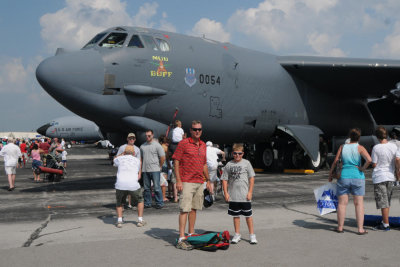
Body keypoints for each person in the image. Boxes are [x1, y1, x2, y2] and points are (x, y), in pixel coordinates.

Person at [173, 120, 211, 250]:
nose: (197, 131)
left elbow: (204, 164)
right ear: (190, 130)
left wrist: (209, 180)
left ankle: (191, 233)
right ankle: (181, 238)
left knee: (194, 208)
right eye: (195, 129)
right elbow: (176, 162)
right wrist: (178, 180)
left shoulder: (203, 145)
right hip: (186, 181)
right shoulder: (183, 143)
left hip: (199, 181)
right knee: (184, 209)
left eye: (199, 129)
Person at [329, 128, 371, 234]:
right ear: (359, 137)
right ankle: (360, 229)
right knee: (358, 204)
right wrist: (362, 168)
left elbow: (335, 161)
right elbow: (369, 160)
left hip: (344, 176)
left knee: (342, 204)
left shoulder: (342, 147)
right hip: (358, 177)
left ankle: (340, 227)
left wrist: (330, 174)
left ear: (349, 136)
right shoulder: (360, 148)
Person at [221, 143, 257, 244]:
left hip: (245, 195)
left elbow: (252, 178)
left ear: (243, 154)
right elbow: (224, 179)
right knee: (236, 216)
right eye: (235, 153)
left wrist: (250, 192)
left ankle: (252, 235)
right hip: (233, 195)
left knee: (248, 216)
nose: (237, 155)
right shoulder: (229, 164)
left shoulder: (246, 163)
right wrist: (226, 193)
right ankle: (237, 234)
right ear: (232, 153)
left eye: (240, 154)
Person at [370, 126, 398, 231]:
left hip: (379, 176)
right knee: (387, 201)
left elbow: (374, 163)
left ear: (377, 136)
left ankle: (385, 224)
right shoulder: (393, 146)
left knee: (383, 202)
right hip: (391, 176)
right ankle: (385, 220)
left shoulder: (376, 148)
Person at [113, 145, 146, 228]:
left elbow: (114, 159)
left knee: (119, 202)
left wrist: (121, 154)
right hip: (133, 184)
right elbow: (138, 168)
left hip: (121, 184)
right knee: (140, 200)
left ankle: (119, 221)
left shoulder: (119, 159)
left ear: (124, 152)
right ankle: (140, 220)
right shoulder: (137, 160)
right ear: (134, 153)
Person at [140, 130, 165, 209]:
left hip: (155, 169)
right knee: (146, 188)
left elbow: (162, 157)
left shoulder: (157, 145)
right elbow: (141, 158)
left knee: (157, 187)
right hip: (145, 170)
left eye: (149, 136)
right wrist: (140, 169)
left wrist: (160, 166)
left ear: (153, 135)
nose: (147, 137)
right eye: (146, 136)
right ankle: (148, 203)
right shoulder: (142, 146)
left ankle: (159, 203)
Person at [116, 133, 141, 209]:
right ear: (127, 139)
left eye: (133, 138)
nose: (131, 140)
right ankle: (122, 204)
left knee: (132, 188)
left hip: (133, 171)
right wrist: (123, 154)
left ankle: (131, 204)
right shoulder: (122, 147)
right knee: (123, 188)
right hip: (124, 171)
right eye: (130, 138)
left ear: (135, 139)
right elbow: (117, 158)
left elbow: (139, 161)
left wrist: (139, 173)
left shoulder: (137, 149)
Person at [159, 135, 171, 202]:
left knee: (160, 182)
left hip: (159, 165)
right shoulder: (165, 147)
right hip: (164, 165)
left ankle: (160, 196)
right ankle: (163, 197)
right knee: (164, 183)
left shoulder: (159, 146)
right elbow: (166, 158)